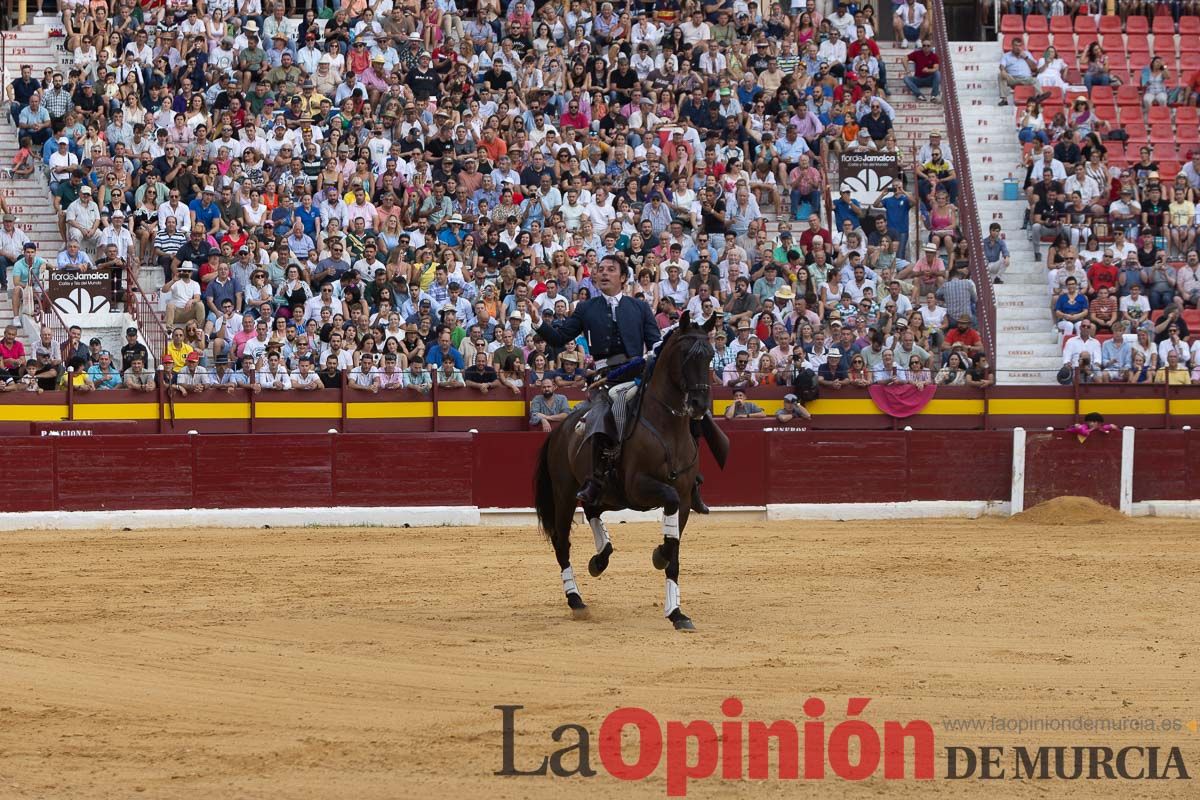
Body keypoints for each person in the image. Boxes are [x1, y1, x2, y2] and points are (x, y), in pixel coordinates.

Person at [531, 253, 660, 505]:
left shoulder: (640, 307)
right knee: (600, 417)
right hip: (605, 378)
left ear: (623, 277)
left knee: (675, 409)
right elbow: (559, 338)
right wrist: (538, 323)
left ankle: (687, 475)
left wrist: (653, 356)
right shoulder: (586, 308)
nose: (603, 273)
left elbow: (654, 342)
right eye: (600, 269)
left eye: (610, 269)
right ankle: (596, 478)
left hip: (637, 375)